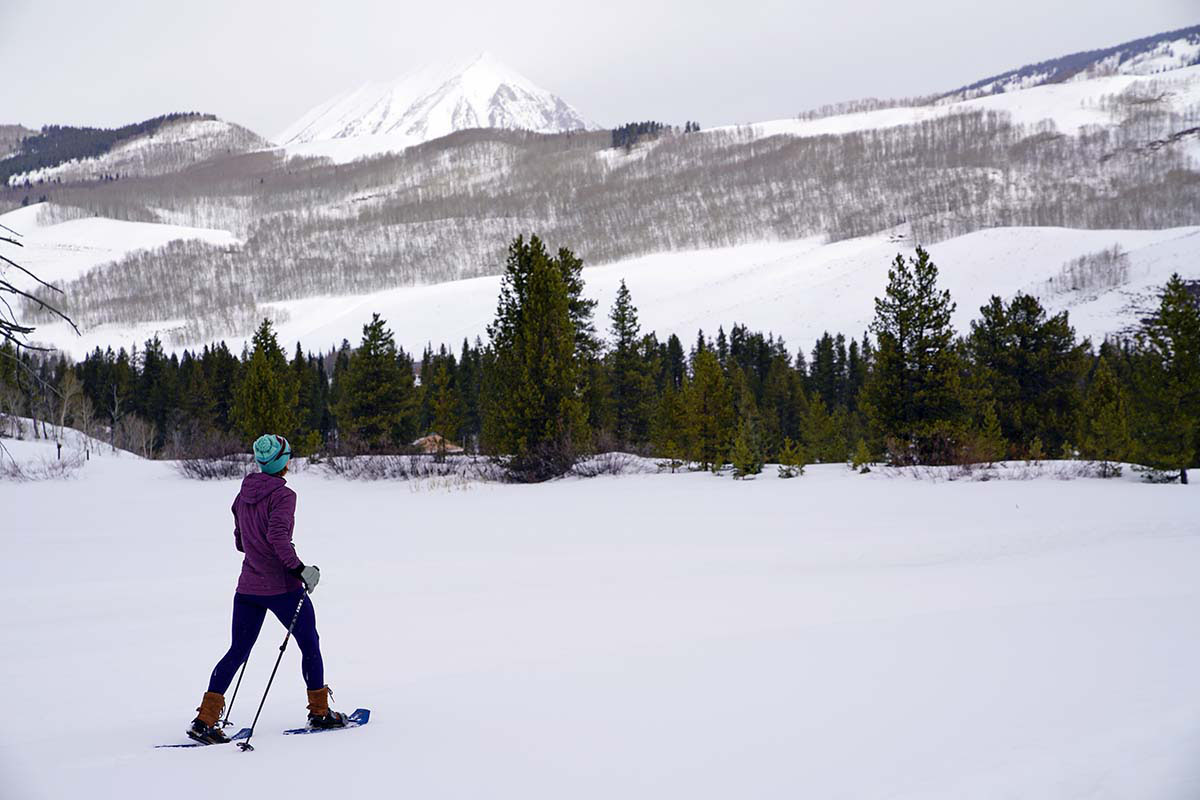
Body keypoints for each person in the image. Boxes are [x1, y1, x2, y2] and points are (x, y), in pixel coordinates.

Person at [187, 434, 347, 744]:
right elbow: (277, 539)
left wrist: (257, 547)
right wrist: (301, 570)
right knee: (309, 643)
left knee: (238, 651)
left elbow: (240, 542)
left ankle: (204, 721)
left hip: (248, 586)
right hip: (282, 586)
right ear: (283, 461)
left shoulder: (243, 493)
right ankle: (320, 713)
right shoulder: (284, 495)